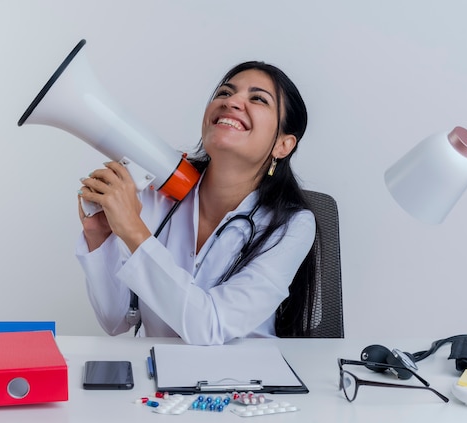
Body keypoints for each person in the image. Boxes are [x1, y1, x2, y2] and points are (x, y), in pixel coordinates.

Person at [76, 61, 318, 345]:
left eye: (257, 99)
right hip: (159, 377)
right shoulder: (160, 189)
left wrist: (133, 230)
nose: (232, 102)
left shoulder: (293, 225)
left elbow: (209, 327)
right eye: (225, 92)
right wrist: (99, 236)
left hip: (241, 379)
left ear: (283, 145)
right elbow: (115, 320)